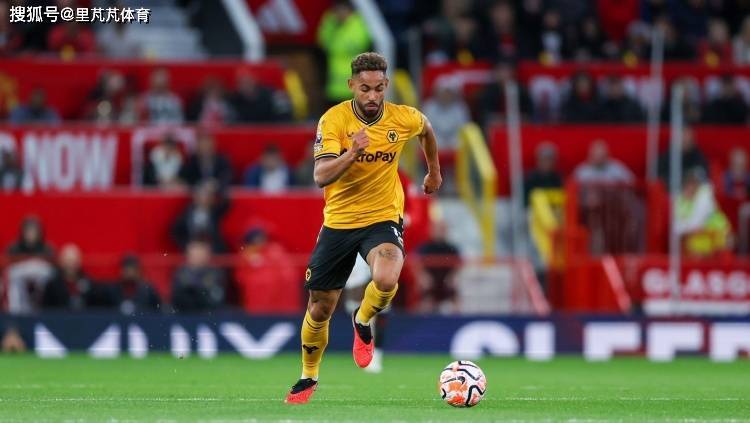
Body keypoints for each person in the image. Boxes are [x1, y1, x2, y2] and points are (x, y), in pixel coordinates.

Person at [285, 52, 442, 403]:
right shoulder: (334, 120)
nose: (372, 96)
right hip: (339, 222)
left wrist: (434, 171)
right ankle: (308, 376)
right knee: (320, 308)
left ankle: (363, 317)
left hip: (382, 217)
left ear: (386, 86)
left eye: (379, 88)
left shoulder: (402, 117)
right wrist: (352, 152)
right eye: (365, 88)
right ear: (351, 85)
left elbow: (426, 130)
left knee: (386, 278)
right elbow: (320, 175)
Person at [317, 0, 372, 106]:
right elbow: (322, 41)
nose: (339, 13)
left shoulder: (358, 24)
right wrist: (332, 22)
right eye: (336, 10)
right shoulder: (331, 22)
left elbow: (354, 44)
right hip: (333, 88)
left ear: (350, 10)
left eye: (342, 10)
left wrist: (334, 43)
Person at [171, 238, 226, 313]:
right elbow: (175, 298)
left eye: (201, 254)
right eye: (195, 254)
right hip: (183, 313)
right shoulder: (180, 273)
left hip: (208, 313)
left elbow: (216, 298)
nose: (198, 257)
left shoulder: (216, 274)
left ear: (208, 255)